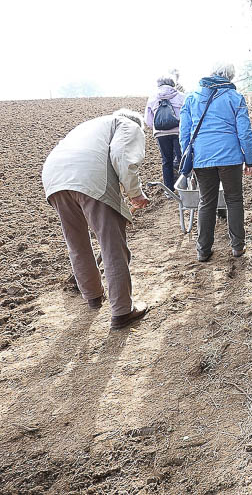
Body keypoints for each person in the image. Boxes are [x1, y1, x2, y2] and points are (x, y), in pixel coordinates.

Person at [41, 109, 151, 330]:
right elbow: (122, 156)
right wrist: (135, 193)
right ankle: (122, 311)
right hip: (90, 178)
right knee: (111, 245)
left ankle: (92, 296)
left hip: (54, 179)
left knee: (77, 243)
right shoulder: (129, 125)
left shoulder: (93, 125)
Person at [180, 63, 252, 262]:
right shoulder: (235, 97)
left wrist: (188, 155)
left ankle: (203, 250)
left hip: (202, 157)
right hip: (230, 158)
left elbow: (184, 133)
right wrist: (249, 159)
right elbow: (245, 131)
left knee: (206, 202)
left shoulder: (192, 97)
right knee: (234, 200)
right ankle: (238, 247)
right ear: (230, 77)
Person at [144, 75, 185, 191]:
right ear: (173, 84)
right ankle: (184, 187)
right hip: (178, 132)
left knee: (166, 161)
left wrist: (158, 128)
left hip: (161, 134)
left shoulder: (152, 98)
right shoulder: (181, 96)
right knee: (182, 158)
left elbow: (148, 120)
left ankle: (169, 190)